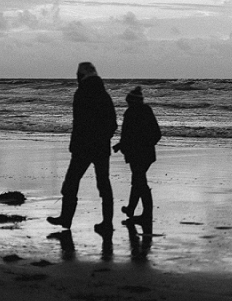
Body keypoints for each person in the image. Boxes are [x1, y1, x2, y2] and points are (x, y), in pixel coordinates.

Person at [47, 62, 118, 235]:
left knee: (71, 183)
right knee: (104, 185)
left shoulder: (81, 94)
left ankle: (66, 218)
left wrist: (78, 143)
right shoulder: (104, 95)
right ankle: (107, 223)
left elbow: (79, 124)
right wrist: (103, 138)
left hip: (83, 147)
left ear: (81, 76)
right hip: (101, 147)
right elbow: (113, 124)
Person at [113, 86, 161, 226]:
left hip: (138, 154)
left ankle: (146, 214)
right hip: (143, 153)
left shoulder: (132, 113)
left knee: (140, 182)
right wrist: (121, 145)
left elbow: (130, 135)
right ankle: (131, 209)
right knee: (138, 181)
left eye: (129, 101)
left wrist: (137, 146)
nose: (127, 103)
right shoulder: (145, 111)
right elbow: (153, 134)